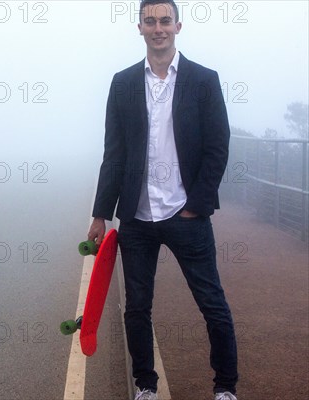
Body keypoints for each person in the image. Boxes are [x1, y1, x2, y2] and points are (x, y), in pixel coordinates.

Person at [87, 1, 239, 399]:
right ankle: (145, 386)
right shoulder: (122, 83)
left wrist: (198, 205)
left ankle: (225, 388)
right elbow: (114, 152)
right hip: (137, 217)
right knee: (137, 307)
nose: (158, 28)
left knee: (212, 304)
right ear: (139, 28)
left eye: (165, 21)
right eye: (150, 21)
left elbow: (217, 147)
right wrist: (102, 213)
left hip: (186, 214)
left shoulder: (204, 80)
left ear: (178, 26)